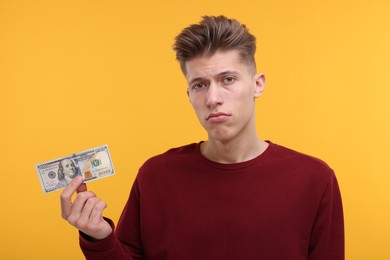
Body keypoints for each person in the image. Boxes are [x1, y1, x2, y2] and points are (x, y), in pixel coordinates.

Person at [60, 15, 344, 259]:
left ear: (257, 85)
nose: (213, 98)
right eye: (199, 85)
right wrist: (99, 237)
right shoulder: (155, 175)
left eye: (228, 80)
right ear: (189, 95)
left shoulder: (315, 179)